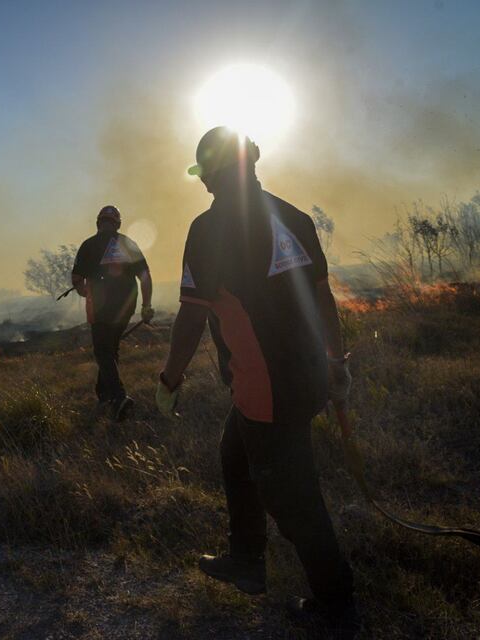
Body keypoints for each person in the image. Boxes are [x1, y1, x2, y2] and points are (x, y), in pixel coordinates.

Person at [155, 127, 357, 631]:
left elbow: (191, 319)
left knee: (291, 497)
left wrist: (169, 379)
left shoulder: (208, 229)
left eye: (204, 174)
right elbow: (323, 299)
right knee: (234, 453)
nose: (201, 185)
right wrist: (335, 362)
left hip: (266, 385)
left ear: (215, 173)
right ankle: (246, 560)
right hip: (305, 374)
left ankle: (336, 602)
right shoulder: (295, 216)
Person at [72, 205, 153, 420]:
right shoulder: (128, 243)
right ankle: (104, 395)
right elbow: (145, 276)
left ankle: (118, 398)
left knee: (103, 351)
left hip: (99, 308)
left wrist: (85, 292)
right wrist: (147, 305)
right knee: (110, 348)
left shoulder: (88, 245)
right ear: (117, 224)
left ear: (99, 222)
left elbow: (77, 280)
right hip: (127, 307)